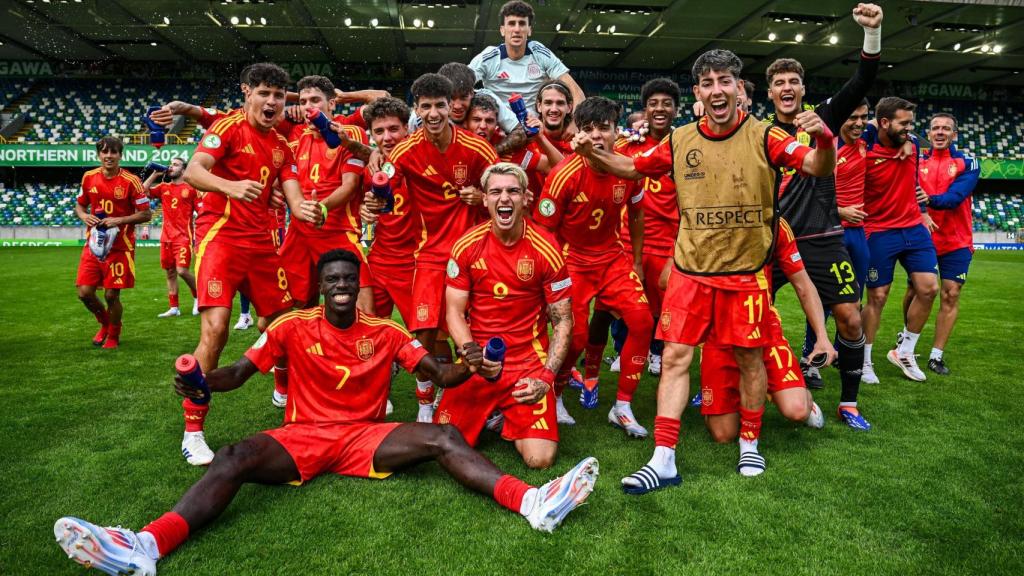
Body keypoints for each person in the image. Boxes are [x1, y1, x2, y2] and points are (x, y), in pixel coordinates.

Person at [54, 251, 600, 576]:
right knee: (235, 454)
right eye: (332, 280)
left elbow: (438, 375)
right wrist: (199, 378)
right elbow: (237, 376)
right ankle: (148, 546)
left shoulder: (385, 332)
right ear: (321, 286)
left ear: (358, 286)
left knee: (445, 435)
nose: (341, 287)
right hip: (303, 437)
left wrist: (470, 364)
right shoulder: (290, 326)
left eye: (348, 280)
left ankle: (532, 501)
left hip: (367, 436)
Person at [574, 49, 835, 486]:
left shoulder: (766, 136)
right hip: (690, 273)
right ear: (697, 92)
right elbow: (630, 167)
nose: (717, 90)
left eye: (725, 81)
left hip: (746, 274)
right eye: (708, 83)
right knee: (675, 357)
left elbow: (813, 165)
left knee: (751, 359)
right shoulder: (679, 140)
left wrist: (825, 140)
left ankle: (749, 446)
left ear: (738, 88)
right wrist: (593, 153)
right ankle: (663, 458)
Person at [178, 63, 323, 466]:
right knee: (217, 328)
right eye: (264, 93)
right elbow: (193, 171)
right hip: (220, 237)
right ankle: (193, 431)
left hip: (261, 242)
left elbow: (294, 199)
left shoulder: (282, 145)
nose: (272, 101)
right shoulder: (226, 127)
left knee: (280, 323)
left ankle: (282, 388)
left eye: (279, 95)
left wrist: (311, 209)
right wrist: (231, 187)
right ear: (247, 93)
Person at [762, 3, 881, 428]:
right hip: (771, 242)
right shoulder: (759, 133)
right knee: (749, 319)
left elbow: (863, 79)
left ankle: (849, 402)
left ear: (802, 87)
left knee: (849, 317)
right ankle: (744, 390)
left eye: (794, 80)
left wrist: (871, 34)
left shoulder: (822, 117)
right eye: (780, 83)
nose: (788, 87)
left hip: (823, 239)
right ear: (771, 93)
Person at [363, 73, 498, 423]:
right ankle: (426, 406)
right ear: (417, 110)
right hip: (432, 254)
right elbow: (384, 192)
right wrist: (372, 205)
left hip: (475, 252)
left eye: (440, 105)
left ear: (452, 105)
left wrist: (482, 196)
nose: (434, 112)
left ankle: (485, 400)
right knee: (422, 333)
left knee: (474, 330)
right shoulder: (406, 152)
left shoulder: (477, 148)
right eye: (426, 106)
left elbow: (503, 193)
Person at [441, 163, 573, 468]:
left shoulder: (547, 248)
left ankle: (504, 414)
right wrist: (471, 355)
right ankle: (498, 413)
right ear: (484, 199)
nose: (504, 198)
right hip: (479, 359)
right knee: (445, 440)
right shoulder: (466, 246)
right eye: (496, 191)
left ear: (526, 197)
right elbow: (454, 311)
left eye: (512, 191)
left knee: (540, 459)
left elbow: (563, 320)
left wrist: (546, 378)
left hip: (526, 360)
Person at [534, 96, 652, 437]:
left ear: (618, 132)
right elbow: (544, 232)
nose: (597, 136)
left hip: (613, 258)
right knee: (576, 337)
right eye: (589, 129)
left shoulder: (628, 167)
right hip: (573, 261)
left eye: (604, 128)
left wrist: (637, 261)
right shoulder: (563, 174)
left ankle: (623, 406)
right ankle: (554, 396)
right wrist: (552, 280)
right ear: (578, 134)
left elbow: (638, 213)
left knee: (643, 323)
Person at [701, 218, 837, 439]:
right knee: (723, 435)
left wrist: (822, 337)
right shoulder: (703, 220)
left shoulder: (775, 224)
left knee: (797, 410)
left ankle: (800, 397)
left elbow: (803, 284)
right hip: (719, 335)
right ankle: (737, 391)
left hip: (763, 328)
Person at [860, 96, 938, 383]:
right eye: (904, 123)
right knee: (877, 297)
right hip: (878, 229)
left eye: (911, 124)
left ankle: (904, 351)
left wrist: (923, 211)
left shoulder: (913, 143)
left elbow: (914, 165)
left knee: (929, 289)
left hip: (913, 228)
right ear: (883, 123)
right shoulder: (864, 145)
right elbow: (863, 127)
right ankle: (864, 360)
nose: (910, 129)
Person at [280, 75, 371, 310]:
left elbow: (349, 186)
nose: (308, 106)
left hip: (337, 231)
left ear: (332, 104)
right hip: (299, 234)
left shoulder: (350, 132)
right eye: (303, 101)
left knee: (363, 311)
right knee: (290, 310)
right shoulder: (296, 137)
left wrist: (322, 207)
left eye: (315, 100)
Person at [615, 77, 684, 378]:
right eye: (653, 104)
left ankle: (655, 353)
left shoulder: (684, 147)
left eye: (666, 104)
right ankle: (621, 350)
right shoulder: (628, 145)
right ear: (644, 110)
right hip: (627, 239)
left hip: (665, 239)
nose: (660, 109)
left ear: (676, 110)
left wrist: (674, 251)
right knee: (622, 302)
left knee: (661, 305)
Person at [902, 113, 979, 375]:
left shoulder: (967, 162)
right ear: (929, 132)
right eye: (935, 128)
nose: (940, 132)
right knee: (915, 292)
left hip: (957, 240)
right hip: (922, 239)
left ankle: (936, 355)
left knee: (951, 293)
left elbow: (955, 197)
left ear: (954, 134)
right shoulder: (916, 160)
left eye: (946, 129)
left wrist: (929, 200)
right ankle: (907, 342)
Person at [74, 136, 152, 349]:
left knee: (110, 295)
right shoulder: (88, 177)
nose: (109, 156)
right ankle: (105, 324)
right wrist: (83, 216)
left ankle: (114, 335)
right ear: (98, 154)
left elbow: (146, 214)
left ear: (120, 155)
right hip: (94, 244)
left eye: (114, 152)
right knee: (84, 293)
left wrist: (119, 220)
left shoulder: (131, 181)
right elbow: (79, 206)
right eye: (105, 152)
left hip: (120, 246)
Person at [359, 97, 419, 325]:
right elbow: (365, 219)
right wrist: (365, 215)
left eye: (394, 129)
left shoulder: (421, 163)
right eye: (379, 131)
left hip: (413, 264)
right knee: (370, 329)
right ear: (372, 135)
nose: (387, 137)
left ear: (406, 128)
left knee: (427, 334)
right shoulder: (371, 171)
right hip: (378, 262)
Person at [469, 0, 585, 112]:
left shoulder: (540, 54)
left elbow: (576, 92)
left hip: (536, 128)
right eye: (511, 23)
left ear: (529, 30)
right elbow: (460, 85)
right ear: (502, 30)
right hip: (498, 128)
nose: (517, 29)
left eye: (522, 23)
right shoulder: (489, 58)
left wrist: (573, 125)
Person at [143, 158, 199, 318]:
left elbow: (201, 213)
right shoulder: (163, 187)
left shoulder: (191, 189)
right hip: (166, 238)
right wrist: (154, 174)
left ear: (183, 170)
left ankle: (198, 297)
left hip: (183, 238)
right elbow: (142, 191)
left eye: (176, 164)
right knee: (170, 273)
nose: (171, 167)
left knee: (182, 271)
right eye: (170, 164)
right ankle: (174, 307)